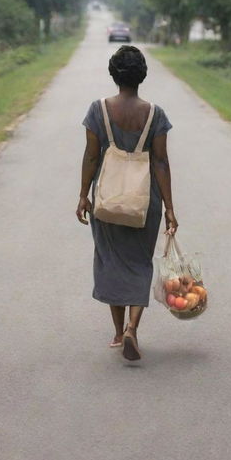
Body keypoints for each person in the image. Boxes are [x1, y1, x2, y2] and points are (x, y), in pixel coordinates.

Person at [76, 45, 177, 361]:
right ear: (141, 75)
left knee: (111, 260)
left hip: (107, 199)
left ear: (114, 74)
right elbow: (160, 162)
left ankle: (119, 333)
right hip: (144, 202)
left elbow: (92, 155)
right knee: (139, 262)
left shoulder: (98, 110)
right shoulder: (155, 115)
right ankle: (134, 327)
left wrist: (82, 195)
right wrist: (170, 208)